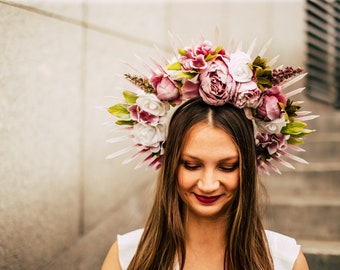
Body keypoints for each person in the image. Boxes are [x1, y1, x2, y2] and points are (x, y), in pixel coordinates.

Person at [101, 38, 315, 270]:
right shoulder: (126, 256)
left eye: (227, 166)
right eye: (192, 165)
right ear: (171, 164)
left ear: (247, 169)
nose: (208, 184)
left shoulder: (286, 261)